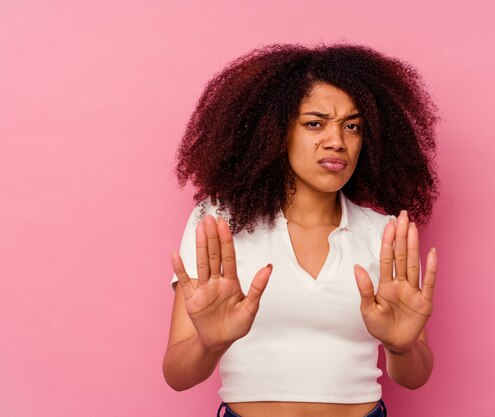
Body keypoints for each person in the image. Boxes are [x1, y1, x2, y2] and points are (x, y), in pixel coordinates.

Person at [162, 44, 440, 417]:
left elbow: (414, 377)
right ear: (277, 132)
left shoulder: (387, 234)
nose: (337, 141)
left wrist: (402, 347)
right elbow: (177, 375)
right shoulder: (218, 224)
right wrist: (210, 345)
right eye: (315, 123)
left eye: (352, 126)